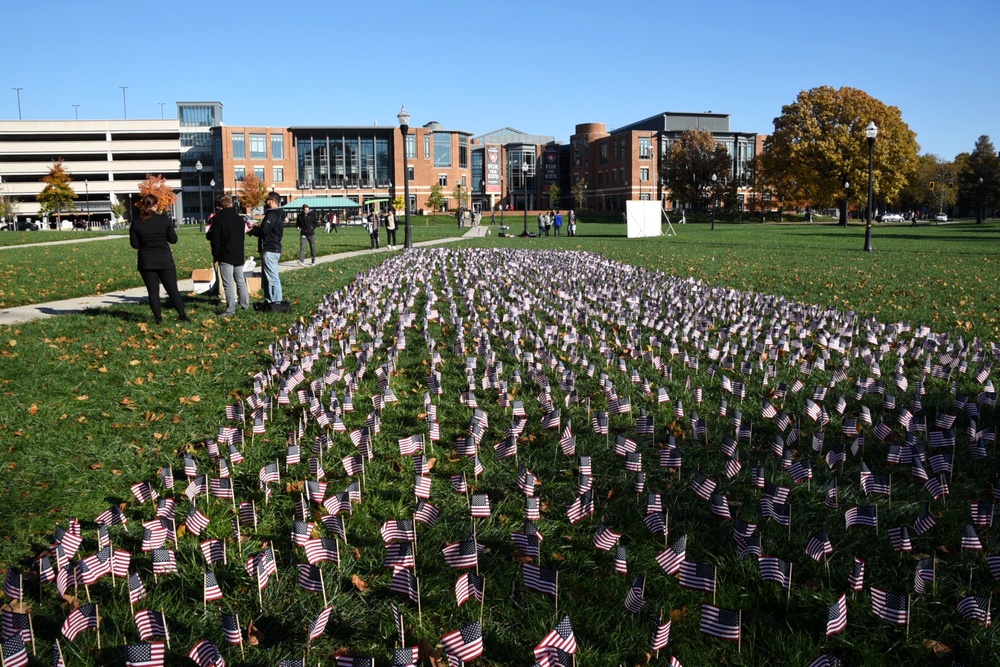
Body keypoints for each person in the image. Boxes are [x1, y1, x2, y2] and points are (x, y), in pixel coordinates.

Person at [129, 193, 188, 324]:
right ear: (155, 206)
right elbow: (173, 240)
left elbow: (135, 244)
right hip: (164, 259)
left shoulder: (137, 222)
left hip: (146, 260)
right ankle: (182, 315)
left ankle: (158, 318)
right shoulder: (164, 220)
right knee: (172, 289)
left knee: (153, 292)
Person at [207, 195, 250, 316]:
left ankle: (231, 308)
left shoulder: (218, 219)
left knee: (228, 283)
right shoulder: (239, 219)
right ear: (232, 204)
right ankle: (245, 304)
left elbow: (215, 239)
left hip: (225, 255)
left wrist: (216, 254)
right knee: (240, 280)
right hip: (239, 254)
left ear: (221, 205)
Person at [248, 191, 285, 305]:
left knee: (272, 277)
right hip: (272, 247)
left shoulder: (272, 214)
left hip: (270, 248)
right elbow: (268, 228)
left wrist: (252, 230)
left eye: (267, 200)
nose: (265, 202)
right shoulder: (279, 213)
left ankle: (277, 301)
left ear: (272, 201)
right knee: (267, 277)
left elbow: (265, 231)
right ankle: (269, 300)